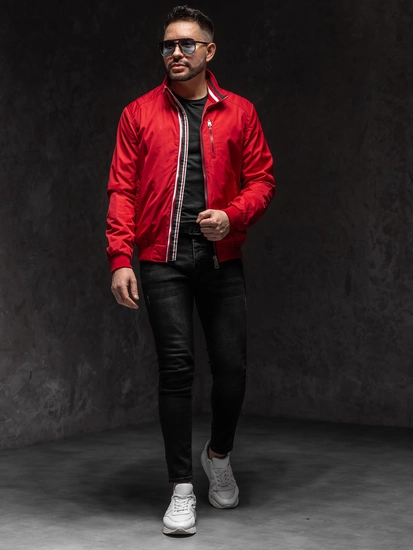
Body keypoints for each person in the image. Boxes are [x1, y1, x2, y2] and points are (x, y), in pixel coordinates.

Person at [106, 5, 275, 536]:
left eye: (186, 44)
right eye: (167, 45)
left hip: (221, 258)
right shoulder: (137, 114)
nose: (175, 53)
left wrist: (233, 216)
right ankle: (181, 489)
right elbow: (122, 190)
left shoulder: (240, 112)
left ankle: (217, 456)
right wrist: (120, 258)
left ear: (209, 51)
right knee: (176, 370)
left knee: (232, 369)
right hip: (162, 260)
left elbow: (262, 180)